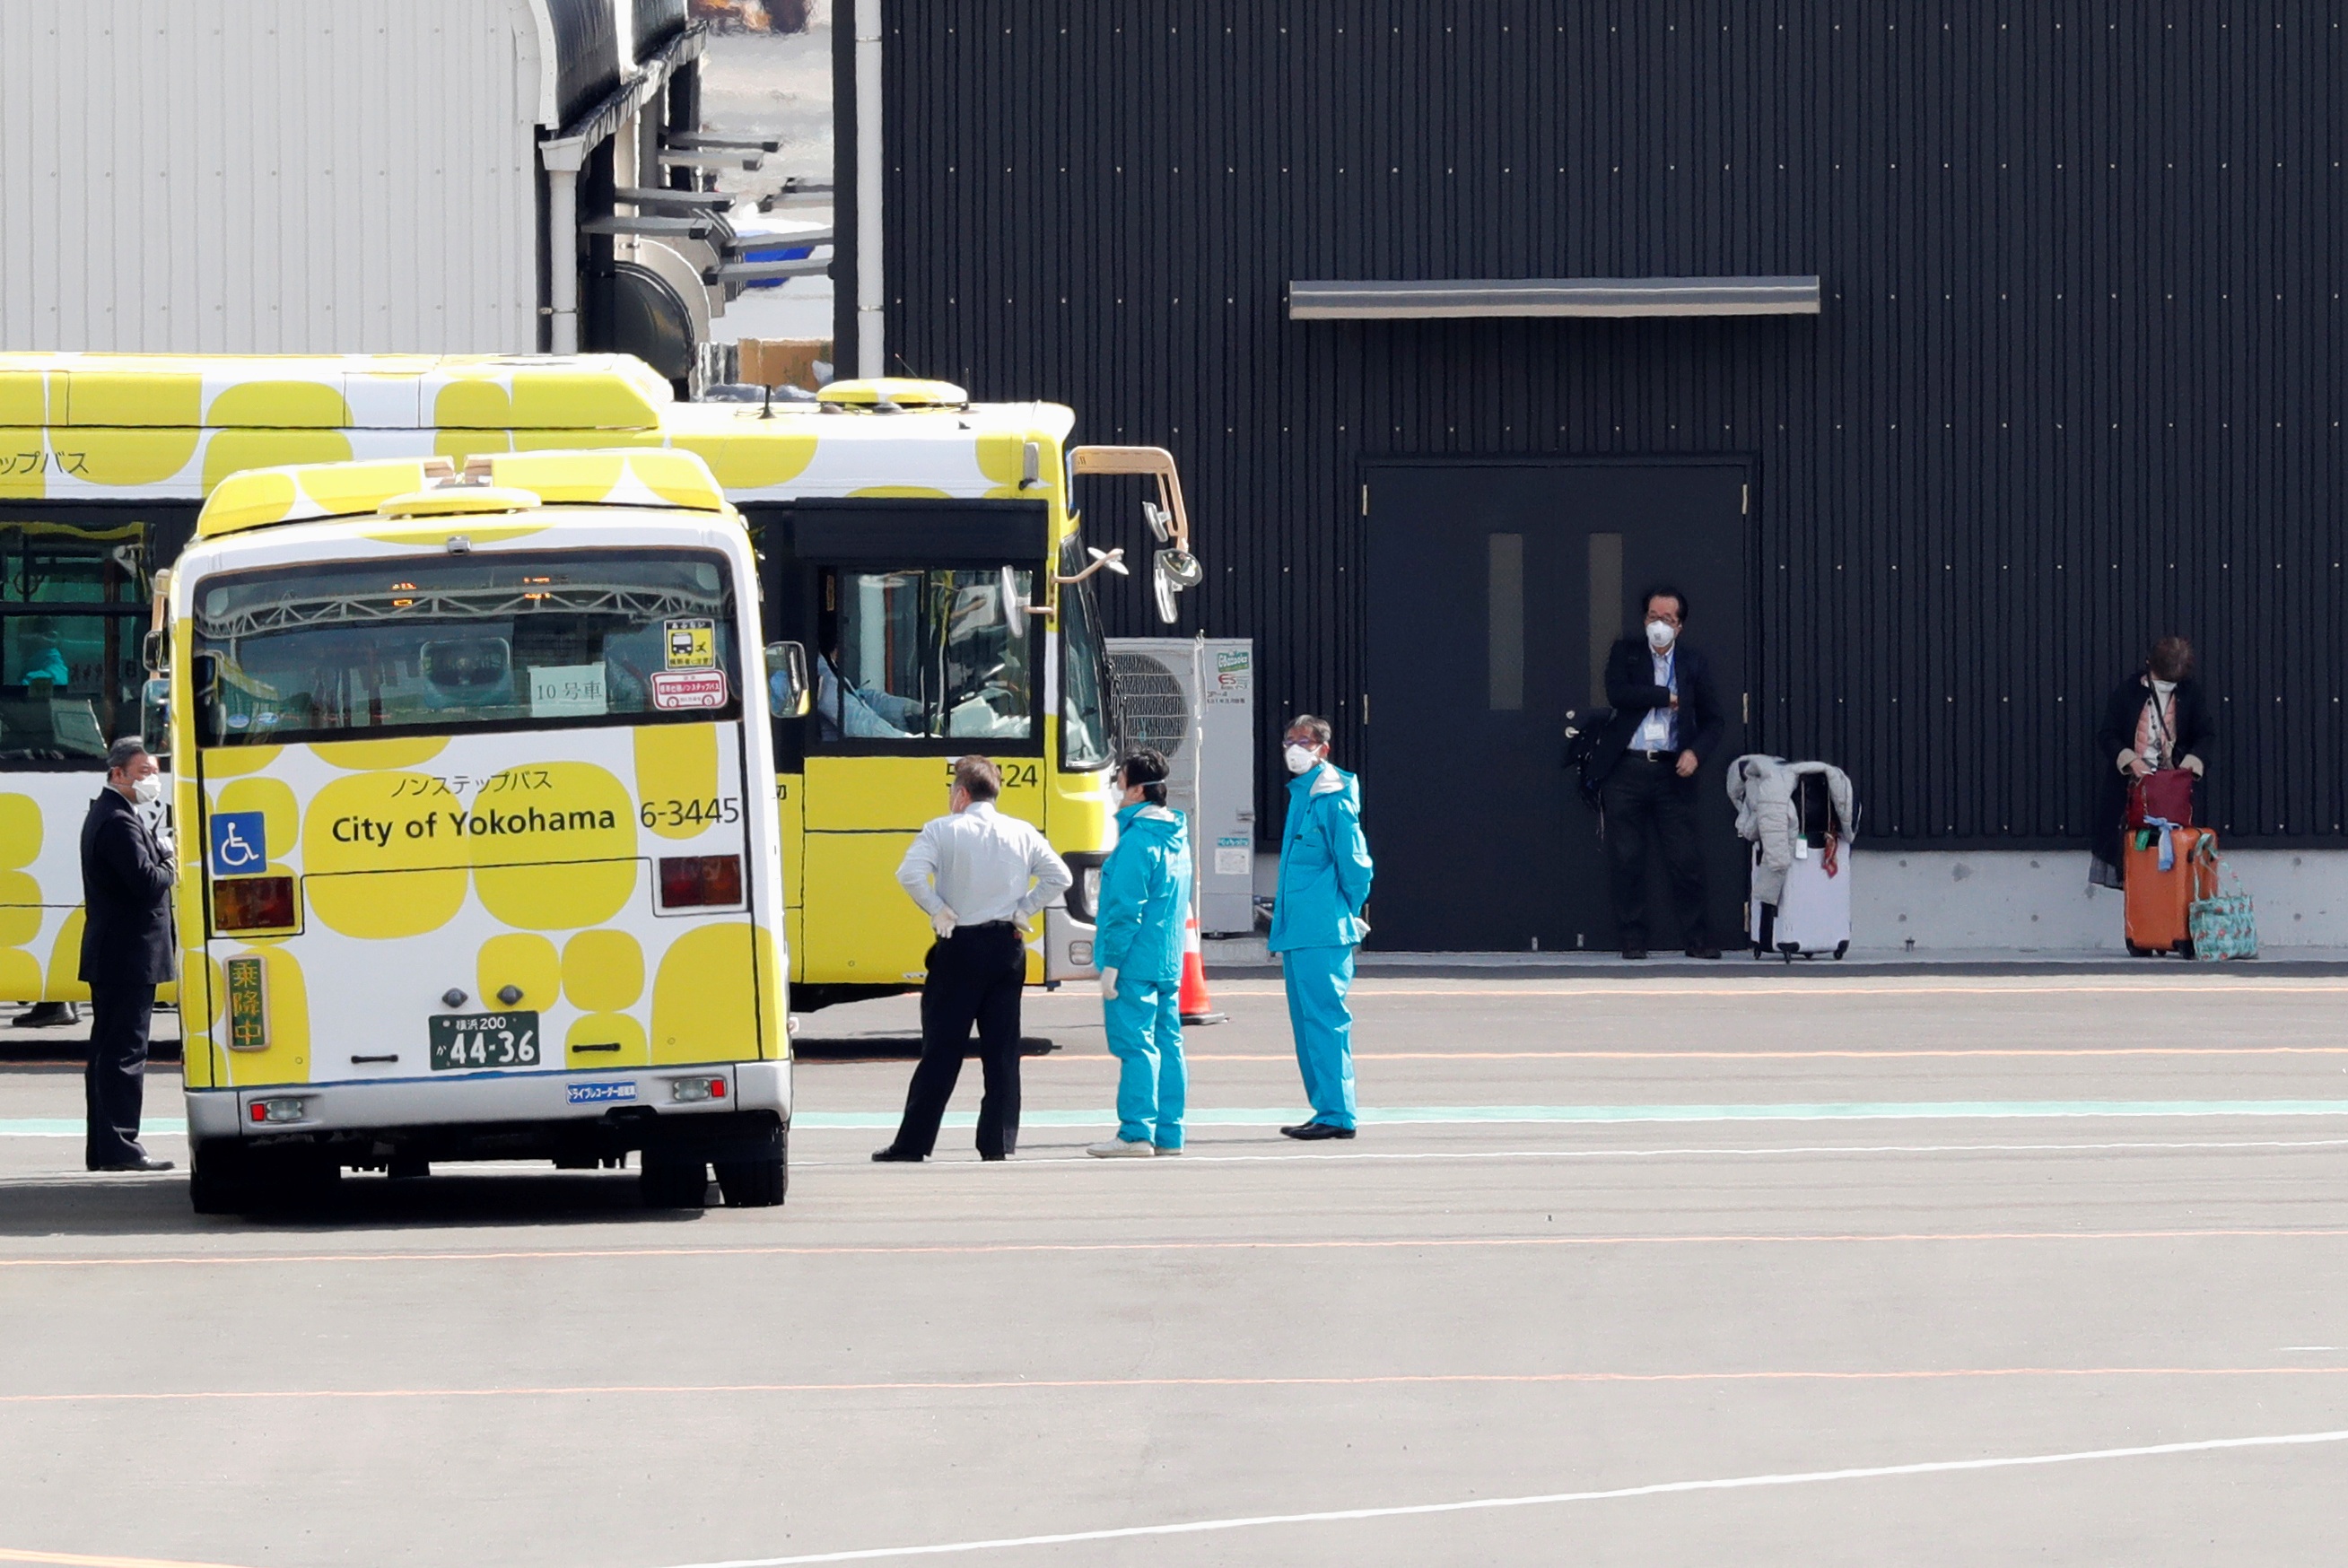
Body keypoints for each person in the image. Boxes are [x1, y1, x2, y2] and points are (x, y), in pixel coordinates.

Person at [873, 755, 1071, 1163]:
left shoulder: (942, 829)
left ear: (962, 793)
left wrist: (937, 909)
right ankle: (998, 1142)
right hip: (1006, 945)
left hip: (959, 946)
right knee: (1002, 1053)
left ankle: (913, 1144)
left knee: (941, 1051)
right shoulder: (1022, 832)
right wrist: (1024, 909)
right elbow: (1060, 876)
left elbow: (909, 874)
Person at [1591, 586, 1726, 960]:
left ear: (1679, 626)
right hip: (1627, 769)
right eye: (1653, 617)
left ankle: (1697, 939)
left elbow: (1715, 720)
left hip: (1672, 772)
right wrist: (1664, 697)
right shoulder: (1627, 653)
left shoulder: (1693, 663)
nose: (1659, 625)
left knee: (1685, 859)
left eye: (1667, 619)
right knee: (1627, 857)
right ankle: (1632, 939)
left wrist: (1696, 753)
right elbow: (1618, 693)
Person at [1268, 714, 1374, 1141]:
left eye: (1305, 741)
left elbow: (1357, 866)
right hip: (1299, 932)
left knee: (1325, 1022)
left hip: (1323, 932)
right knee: (1308, 1026)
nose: (1295, 748)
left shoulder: (1332, 798)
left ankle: (1338, 1113)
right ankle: (1326, 1108)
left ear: (1323, 749)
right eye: (1289, 740)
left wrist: (1344, 910)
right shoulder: (1304, 796)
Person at [1087, 749, 1192, 1158]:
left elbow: (1125, 910)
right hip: (1166, 958)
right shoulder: (1176, 835)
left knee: (1135, 1046)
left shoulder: (1136, 841)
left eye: (1120, 780)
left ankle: (1135, 1133)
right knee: (1168, 1044)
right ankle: (1169, 1133)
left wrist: (1111, 963)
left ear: (1136, 790)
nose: (1116, 787)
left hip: (1133, 960)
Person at [79, 736, 176, 1172]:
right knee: (124, 1053)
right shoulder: (117, 820)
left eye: (155, 772)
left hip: (117, 953)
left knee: (108, 1052)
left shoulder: (114, 813)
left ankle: (106, 1148)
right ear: (117, 773)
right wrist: (169, 862)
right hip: (128, 954)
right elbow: (145, 882)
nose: (152, 780)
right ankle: (121, 1147)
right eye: (143, 772)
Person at [2090, 635, 2213, 891]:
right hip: (2128, 792)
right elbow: (2107, 734)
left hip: (2174, 793)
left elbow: (2205, 735)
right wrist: (2130, 760)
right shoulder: (2128, 692)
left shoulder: (2191, 695)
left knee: (2172, 873)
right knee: (2132, 862)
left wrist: (2188, 766)